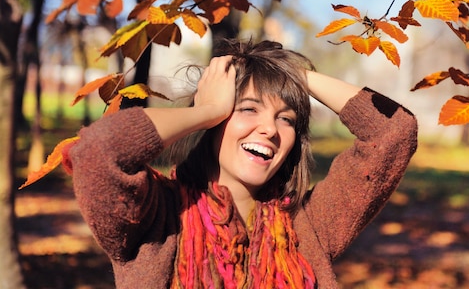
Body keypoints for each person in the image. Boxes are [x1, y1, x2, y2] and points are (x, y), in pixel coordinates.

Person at [67, 39, 418, 289]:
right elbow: (99, 150)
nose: (269, 129)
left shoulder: (307, 224)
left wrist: (294, 75)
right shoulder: (156, 218)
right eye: (248, 109)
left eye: (287, 119)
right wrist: (206, 111)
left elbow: (393, 132)